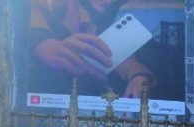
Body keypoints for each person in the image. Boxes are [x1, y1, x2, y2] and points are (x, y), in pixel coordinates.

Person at [29, 0, 157, 99]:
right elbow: (33, 9)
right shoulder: (63, 5)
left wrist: (140, 76)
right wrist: (40, 40)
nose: (110, 1)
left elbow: (123, 60)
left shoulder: (103, 22)